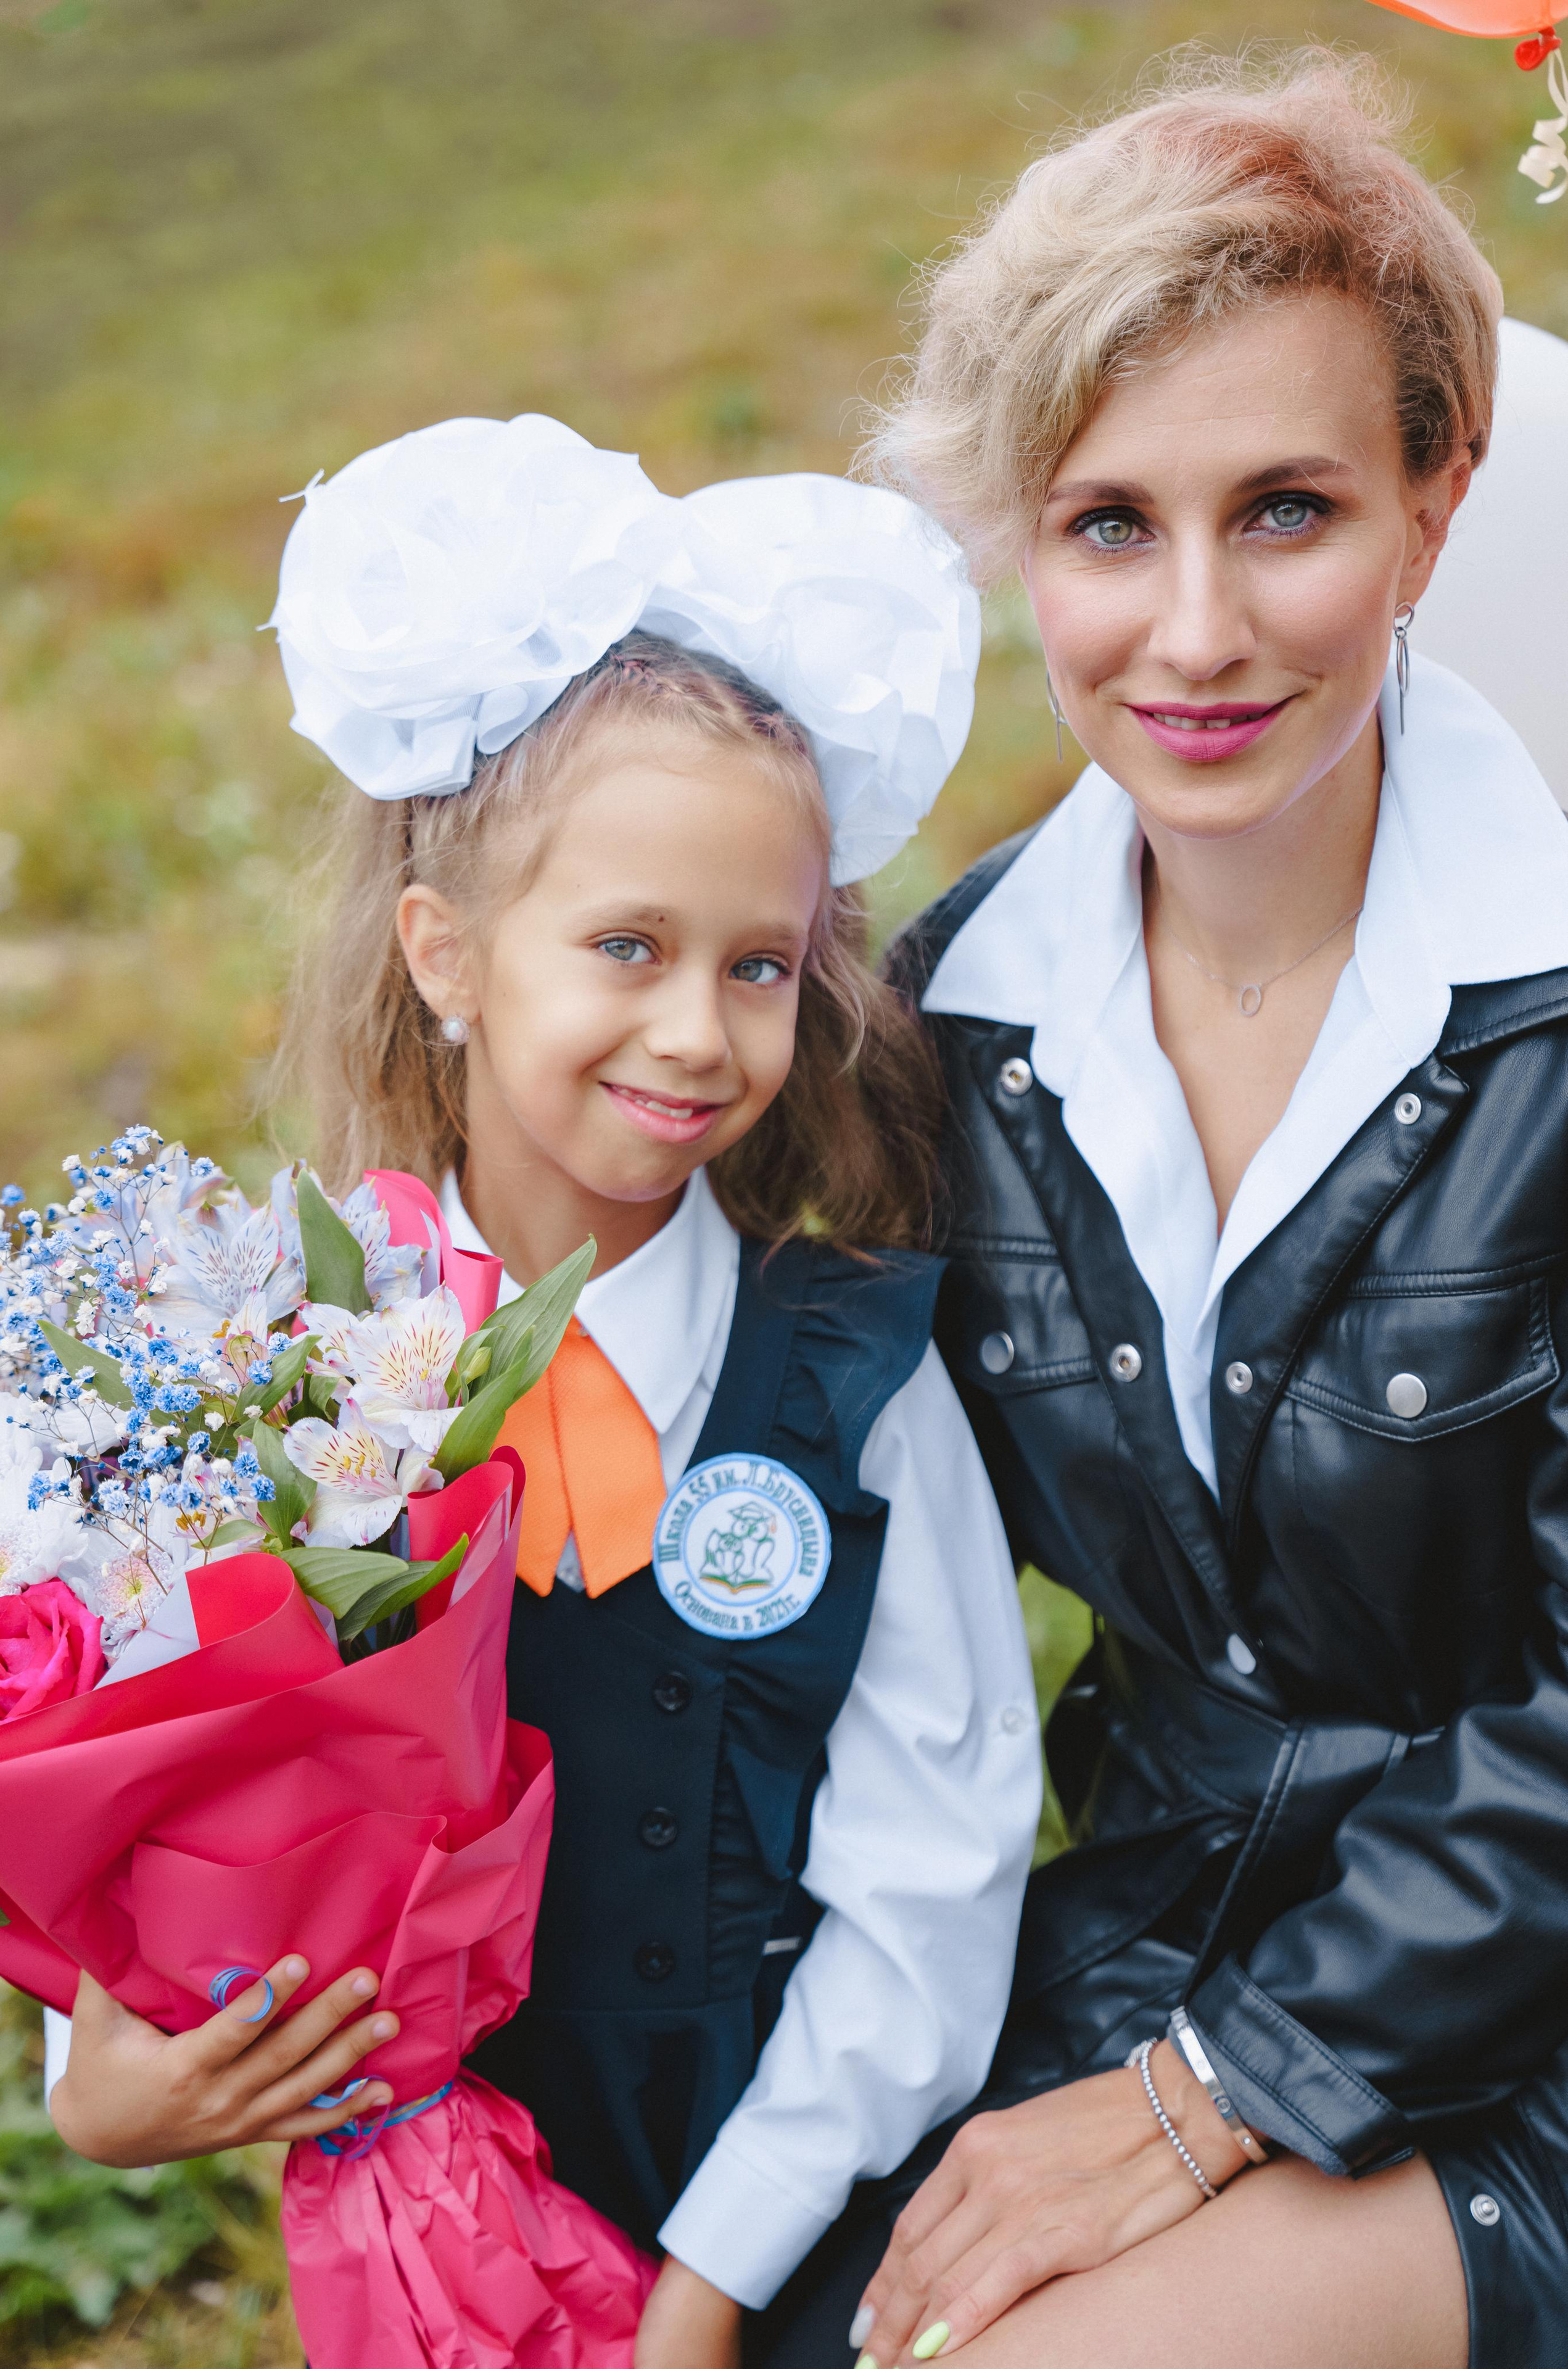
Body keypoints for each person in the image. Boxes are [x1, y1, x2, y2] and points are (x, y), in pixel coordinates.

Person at [47, 416, 1044, 2369]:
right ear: (448, 953)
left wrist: (712, 2282)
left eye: (760, 965)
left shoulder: (848, 1384)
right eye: (625, 947)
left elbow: (940, 1872)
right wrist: (108, 2059)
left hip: (804, 2210)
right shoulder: (282, 1377)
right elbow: (141, 1769)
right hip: (425, 2224)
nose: (696, 1029)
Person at [830, 49, 1568, 2369]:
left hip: (1521, 1991)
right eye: (1109, 525)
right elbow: (794, 1580)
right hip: (1160, 1913)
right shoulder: (945, 1024)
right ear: (1013, 544)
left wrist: (1212, 2096)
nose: (1196, 635)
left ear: (1437, 504)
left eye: (1289, 509)